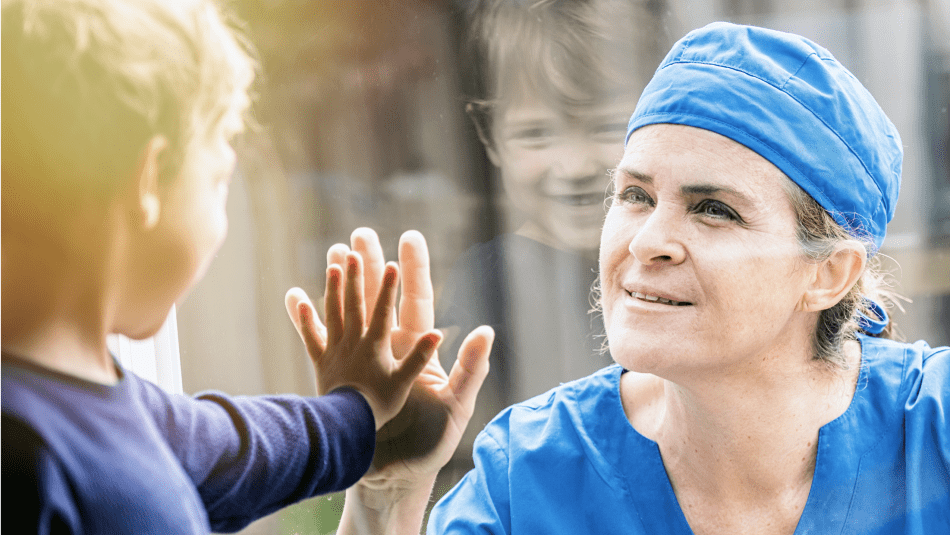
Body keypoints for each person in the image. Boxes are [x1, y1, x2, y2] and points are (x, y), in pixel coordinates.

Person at [334, 22, 950, 534]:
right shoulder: (530, 477)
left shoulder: (937, 431)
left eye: (715, 210)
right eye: (634, 194)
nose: (648, 240)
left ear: (828, 274)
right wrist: (386, 496)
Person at [1, 0, 493, 532]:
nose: (222, 218)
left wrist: (362, 414)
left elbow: (240, 448)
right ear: (150, 177)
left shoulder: (88, 406)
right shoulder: (45, 468)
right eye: (217, 182)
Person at [436, 0, 674, 452]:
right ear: (490, 137)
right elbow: (467, 449)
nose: (574, 165)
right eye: (536, 134)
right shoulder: (491, 281)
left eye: (605, 126)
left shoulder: (681, 254)